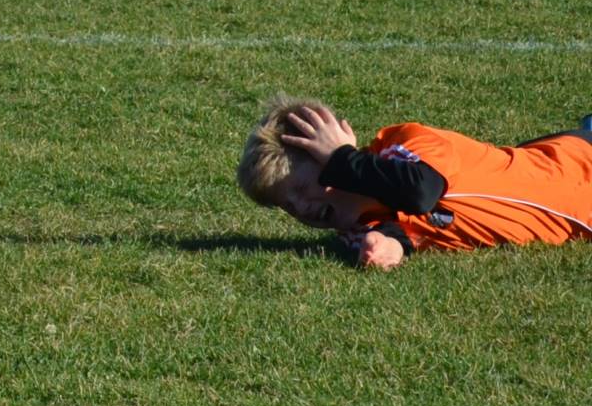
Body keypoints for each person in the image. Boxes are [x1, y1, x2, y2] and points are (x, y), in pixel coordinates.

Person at [237, 97, 592, 270]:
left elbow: (419, 192)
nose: (301, 208)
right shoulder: (358, 228)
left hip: (581, 159)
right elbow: (399, 233)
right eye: (287, 205)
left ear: (329, 156)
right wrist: (389, 248)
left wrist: (343, 158)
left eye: (300, 189)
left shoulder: (404, 144)